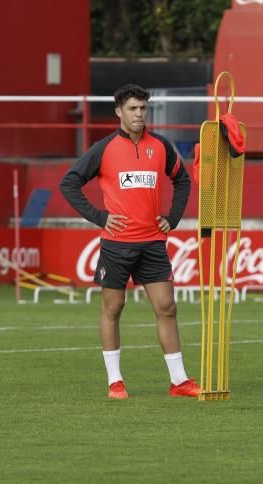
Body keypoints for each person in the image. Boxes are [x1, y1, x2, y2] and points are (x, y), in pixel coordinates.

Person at [59, 84, 199, 400]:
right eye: (133, 109)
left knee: (167, 307)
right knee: (114, 307)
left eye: (142, 109)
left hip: (152, 243)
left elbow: (182, 180)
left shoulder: (161, 146)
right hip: (116, 244)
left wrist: (172, 217)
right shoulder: (104, 148)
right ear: (119, 112)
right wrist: (98, 216)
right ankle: (115, 382)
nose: (139, 114)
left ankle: (179, 381)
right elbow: (69, 182)